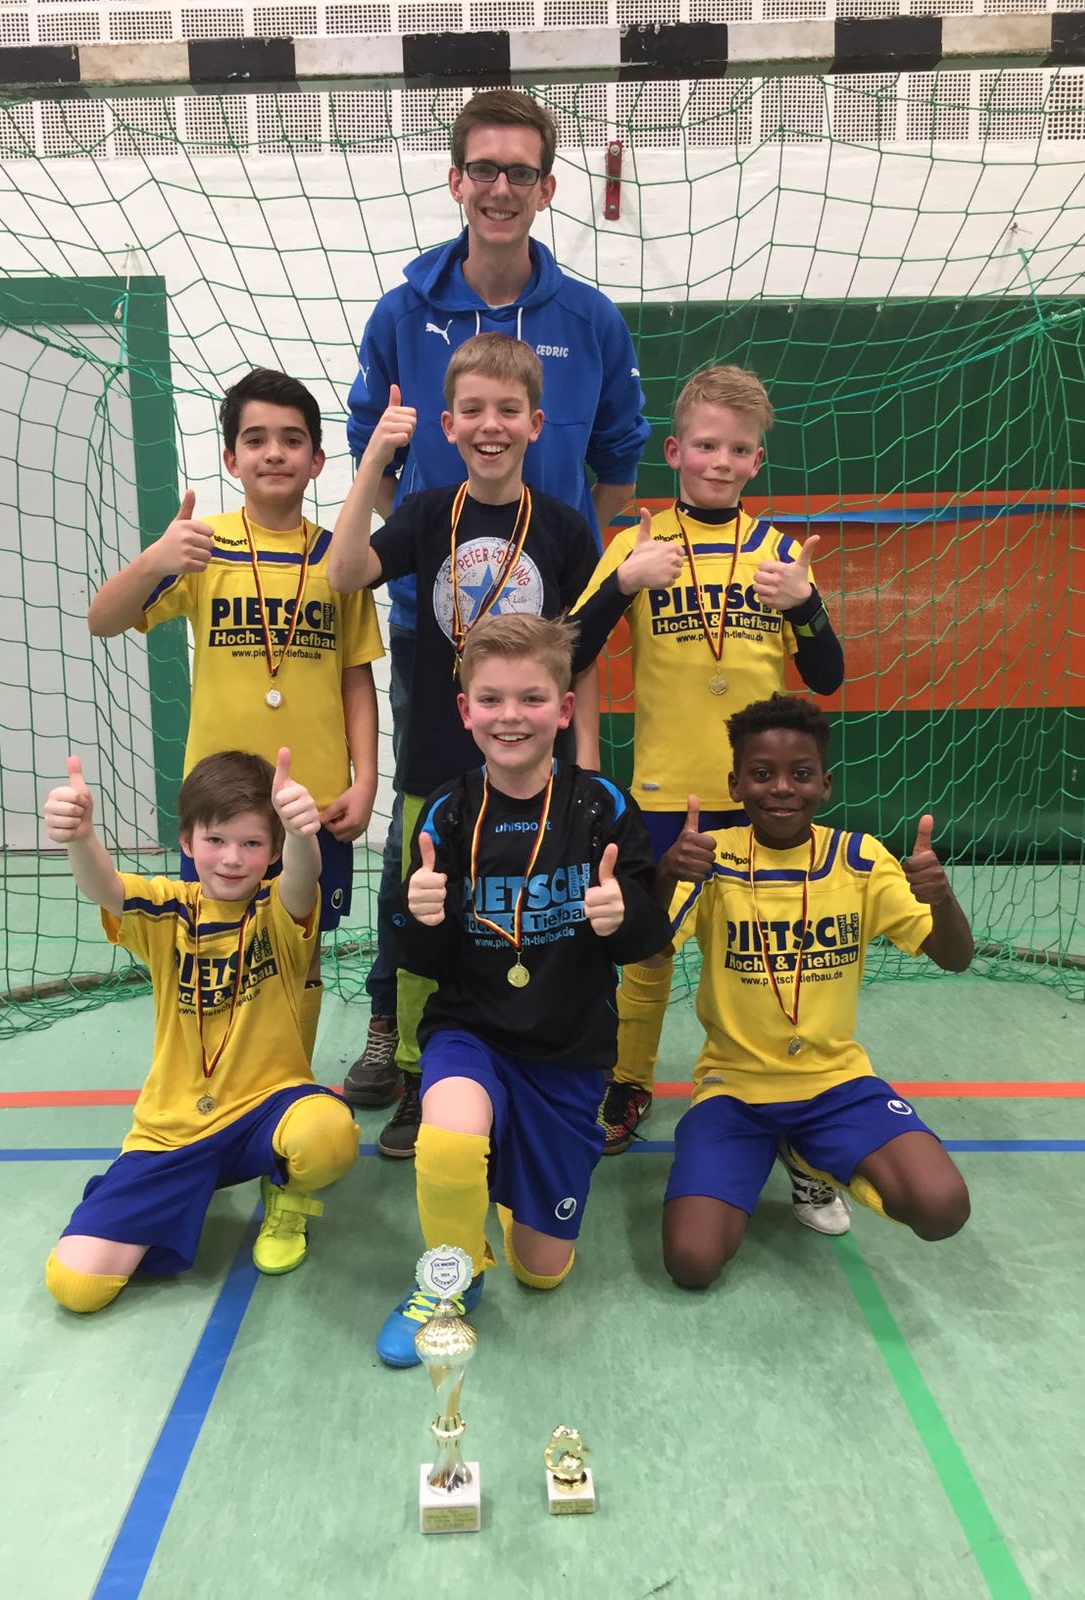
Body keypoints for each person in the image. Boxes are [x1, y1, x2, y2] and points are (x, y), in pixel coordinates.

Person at [343, 87, 649, 1140]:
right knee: (424, 835)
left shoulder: (590, 320)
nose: (501, 187)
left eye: (521, 171)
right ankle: (396, 1020)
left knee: (549, 837)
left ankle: (536, 1030)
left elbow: (616, 465)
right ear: (456, 179)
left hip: (547, 638)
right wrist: (439, 547)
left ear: (548, 187)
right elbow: (374, 451)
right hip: (437, 639)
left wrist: (565, 575)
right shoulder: (402, 310)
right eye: (485, 168)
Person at [331, 335, 669, 1158]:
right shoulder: (424, 513)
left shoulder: (561, 526)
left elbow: (578, 654)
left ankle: (536, 1061)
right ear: (447, 425)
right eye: (473, 411)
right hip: (437, 761)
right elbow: (343, 572)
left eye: (509, 410)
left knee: (536, 917)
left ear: (536, 424)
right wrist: (374, 458)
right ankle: (419, 1077)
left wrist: (587, 761)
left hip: (534, 769)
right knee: (422, 919)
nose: (492, 425)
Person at [573, 364, 847, 1226]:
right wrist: (624, 583)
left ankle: (784, 1107)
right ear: (674, 450)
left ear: (757, 460)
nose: (720, 462)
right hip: (664, 795)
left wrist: (805, 605)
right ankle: (628, 1085)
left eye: (737, 450)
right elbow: (568, 650)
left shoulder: (781, 553)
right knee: (647, 954)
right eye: (705, 446)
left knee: (768, 958)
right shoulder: (639, 540)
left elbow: (828, 677)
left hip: (766, 801)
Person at [373, 614, 671, 1366]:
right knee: (447, 1136)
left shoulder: (602, 806)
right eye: (492, 699)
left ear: (565, 710)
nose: (511, 716)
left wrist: (622, 914)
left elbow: (646, 937)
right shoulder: (447, 812)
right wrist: (419, 914)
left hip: (567, 1051)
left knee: (543, 1272)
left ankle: (509, 1187)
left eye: (532, 698)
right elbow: (422, 958)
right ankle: (448, 1277)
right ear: (465, 710)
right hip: (471, 1029)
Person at [88, 368, 382, 1065]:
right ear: (230, 458)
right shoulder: (202, 547)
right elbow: (102, 619)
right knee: (209, 949)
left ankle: (288, 1080)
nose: (274, 452)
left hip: (311, 803)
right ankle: (214, 1081)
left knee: (302, 949)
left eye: (292, 440)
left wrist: (366, 778)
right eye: (255, 439)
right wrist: (154, 559)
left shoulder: (339, 559)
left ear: (317, 459)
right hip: (220, 805)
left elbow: (356, 677)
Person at [659, 695, 972, 1291]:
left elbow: (955, 957)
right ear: (735, 784)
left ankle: (808, 1157)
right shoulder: (713, 860)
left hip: (835, 1082)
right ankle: (771, 1149)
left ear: (825, 785)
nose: (781, 788)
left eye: (800, 773)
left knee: (942, 1207)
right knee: (692, 1262)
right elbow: (648, 951)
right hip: (734, 1088)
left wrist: (940, 897)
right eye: (762, 773)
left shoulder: (859, 859)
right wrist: (666, 874)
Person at [42, 748, 360, 1312]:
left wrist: (301, 831)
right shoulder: (165, 910)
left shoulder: (278, 911)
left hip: (266, 1108)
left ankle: (285, 1195)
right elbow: (105, 886)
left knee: (327, 1134)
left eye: (252, 843)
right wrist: (80, 837)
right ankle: (179, 1191)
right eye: (216, 840)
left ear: (273, 852)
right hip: (173, 1130)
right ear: (187, 841)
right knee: (76, 1285)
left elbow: (304, 878)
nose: (233, 859)